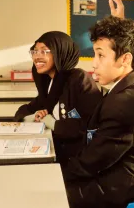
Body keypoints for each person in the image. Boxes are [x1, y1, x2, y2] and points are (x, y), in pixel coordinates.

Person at [62, 15, 134, 208]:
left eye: (100, 55)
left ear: (124, 59)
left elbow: (91, 163)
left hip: (120, 186)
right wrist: (124, 27)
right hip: (130, 172)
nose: (93, 63)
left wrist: (52, 172)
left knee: (50, 194)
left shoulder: (124, 103)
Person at [14, 31, 102, 168]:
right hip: (55, 152)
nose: (37, 57)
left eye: (44, 51)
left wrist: (52, 123)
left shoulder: (78, 79)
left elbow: (92, 125)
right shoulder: (49, 84)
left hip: (79, 161)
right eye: (34, 51)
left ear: (61, 52)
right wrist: (32, 117)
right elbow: (24, 110)